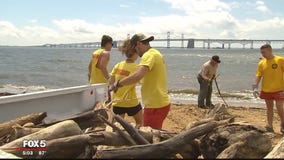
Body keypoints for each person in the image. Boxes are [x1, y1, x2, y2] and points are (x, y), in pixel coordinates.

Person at [110, 33, 171, 129]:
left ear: (138, 44)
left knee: (149, 137)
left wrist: (118, 84)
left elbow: (137, 76)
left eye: (135, 49)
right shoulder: (155, 53)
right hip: (159, 102)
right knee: (152, 133)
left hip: (155, 105)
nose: (137, 53)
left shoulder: (148, 55)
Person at [108, 39, 142, 126]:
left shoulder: (118, 65)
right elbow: (142, 81)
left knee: (117, 126)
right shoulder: (137, 67)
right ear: (136, 53)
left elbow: (111, 81)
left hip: (117, 102)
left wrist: (114, 88)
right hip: (131, 102)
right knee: (139, 123)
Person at [253, 44, 284, 133]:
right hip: (266, 89)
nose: (262, 54)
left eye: (264, 52)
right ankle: (269, 125)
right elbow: (258, 76)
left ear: (270, 51)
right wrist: (255, 87)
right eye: (261, 52)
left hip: (279, 89)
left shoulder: (280, 60)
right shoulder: (261, 63)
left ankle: (283, 123)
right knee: (269, 108)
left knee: (279, 108)